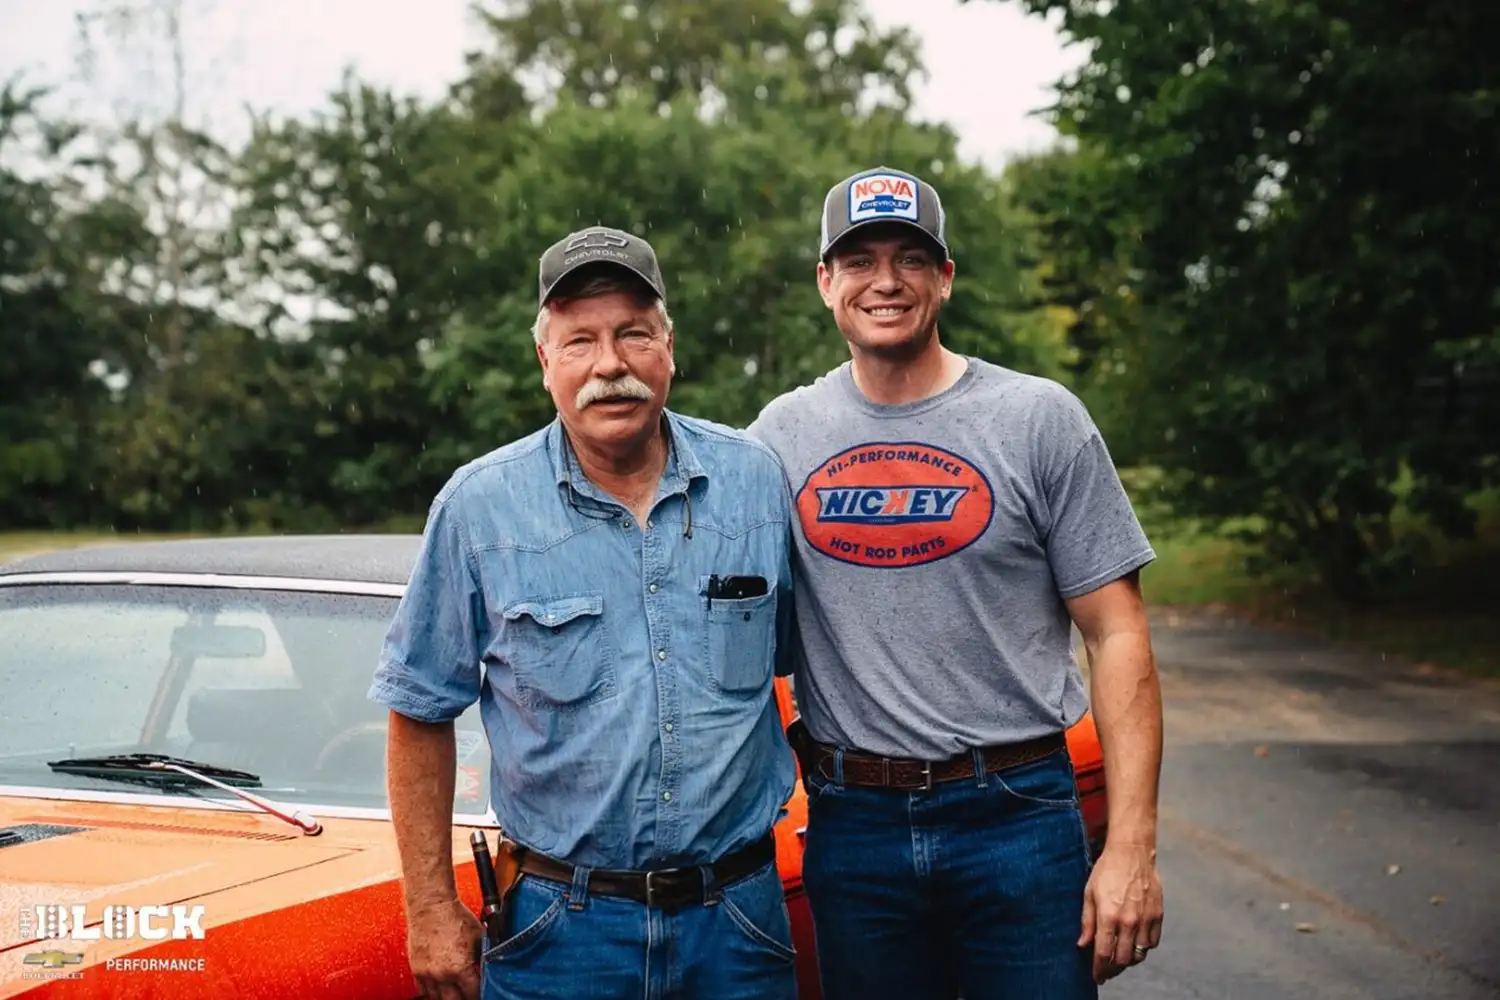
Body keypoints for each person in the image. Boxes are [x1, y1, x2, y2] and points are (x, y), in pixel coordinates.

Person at [747, 166, 1166, 1000]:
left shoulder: (1039, 419)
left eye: (910, 257)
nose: (886, 281)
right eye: (859, 260)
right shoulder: (777, 440)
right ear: (825, 282)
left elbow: (1117, 633)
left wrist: (1130, 848)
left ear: (945, 276)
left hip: (1018, 817)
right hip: (854, 826)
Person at [369, 225, 801, 1000]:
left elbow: (812, 669)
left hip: (737, 922)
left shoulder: (756, 484)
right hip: (560, 931)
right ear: (546, 363)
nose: (610, 365)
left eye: (634, 334)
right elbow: (418, 708)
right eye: (580, 342)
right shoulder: (479, 509)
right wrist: (428, 905)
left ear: (669, 347)